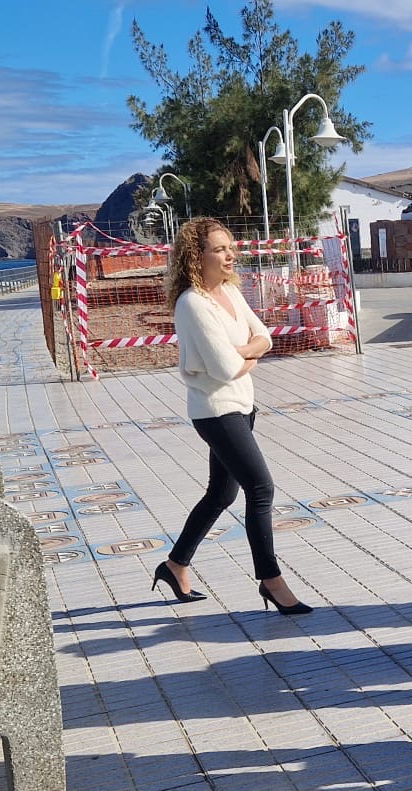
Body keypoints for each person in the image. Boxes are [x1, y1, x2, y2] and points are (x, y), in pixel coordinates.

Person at [152, 218, 315, 616]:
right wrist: (246, 354)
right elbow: (225, 369)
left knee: (222, 493)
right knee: (261, 489)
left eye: (230, 247)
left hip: (242, 404)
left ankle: (175, 564)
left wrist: (241, 352)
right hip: (215, 410)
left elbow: (265, 337)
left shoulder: (229, 291)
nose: (230, 255)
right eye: (219, 249)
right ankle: (271, 581)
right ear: (196, 256)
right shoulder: (192, 303)